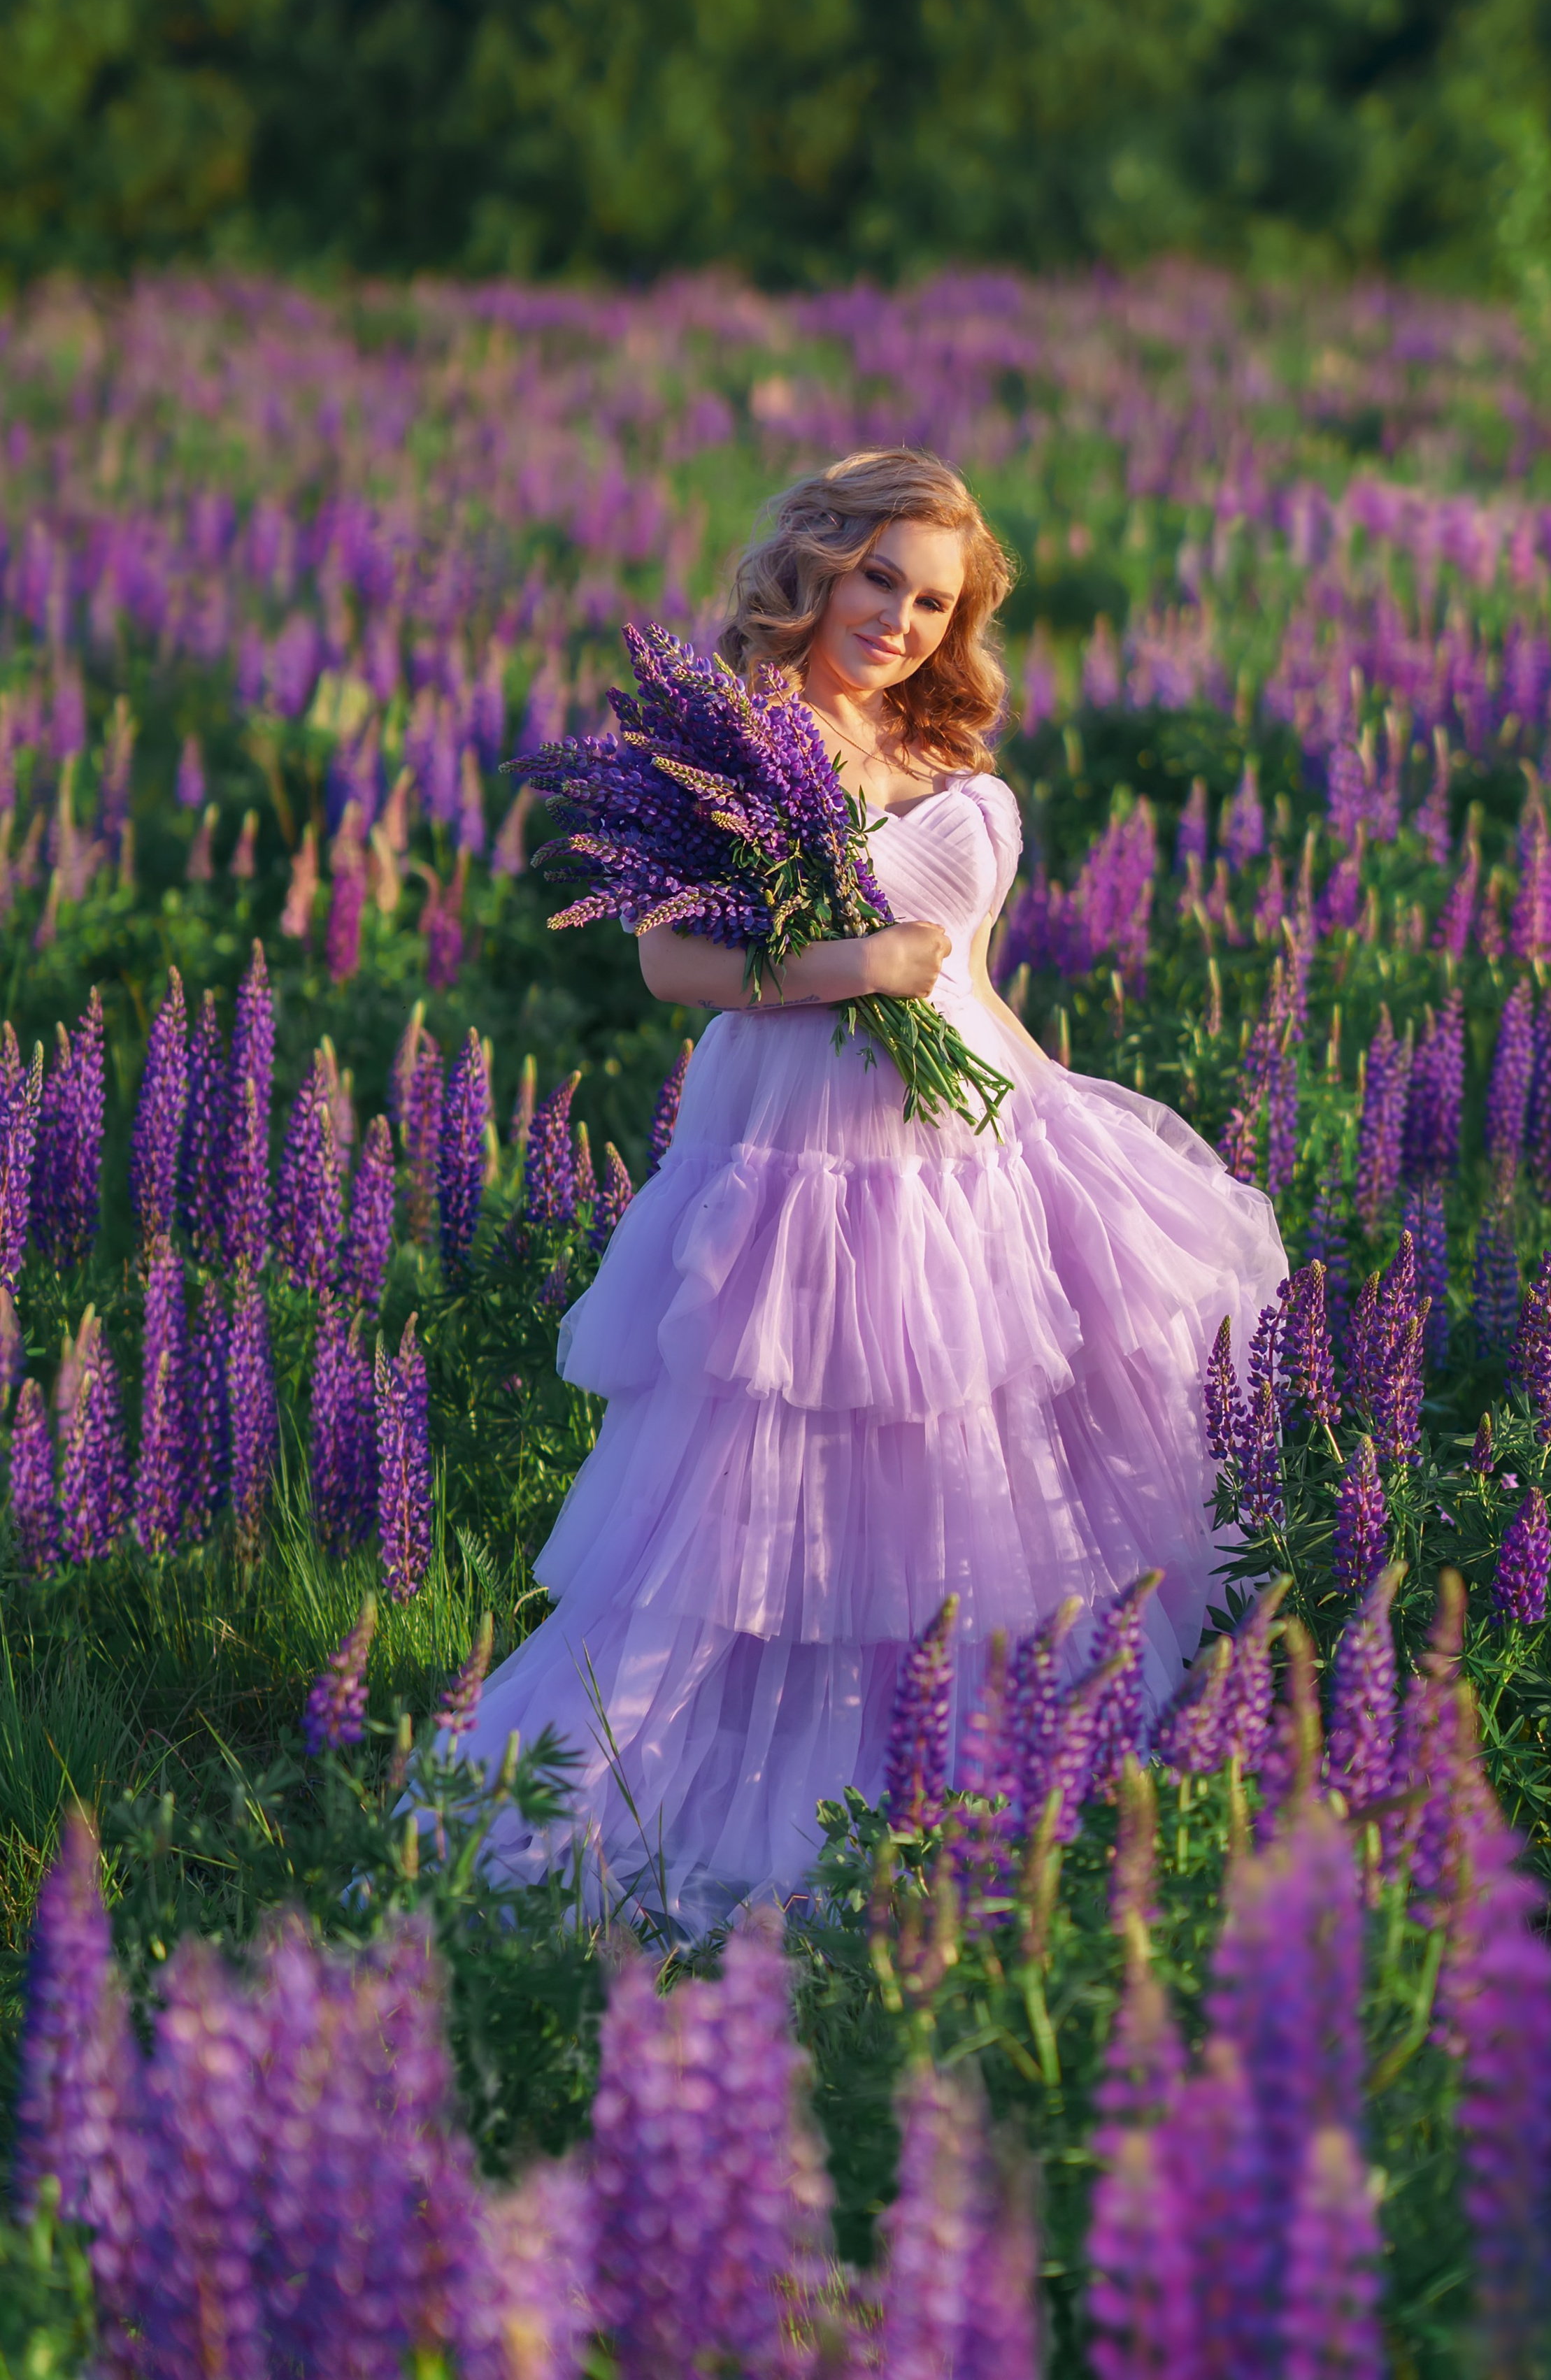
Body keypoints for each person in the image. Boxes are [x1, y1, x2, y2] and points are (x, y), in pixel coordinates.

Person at [464, 447, 1287, 1928]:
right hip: (802, 1160)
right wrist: (860, 966)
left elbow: (967, 978)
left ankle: (986, 1787)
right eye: (878, 578)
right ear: (819, 560)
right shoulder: (732, 742)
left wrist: (1065, 1121)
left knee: (974, 1472)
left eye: (932, 600)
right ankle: (780, 1790)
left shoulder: (947, 760)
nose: (899, 619)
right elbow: (669, 964)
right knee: (784, 1464)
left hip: (961, 1156)